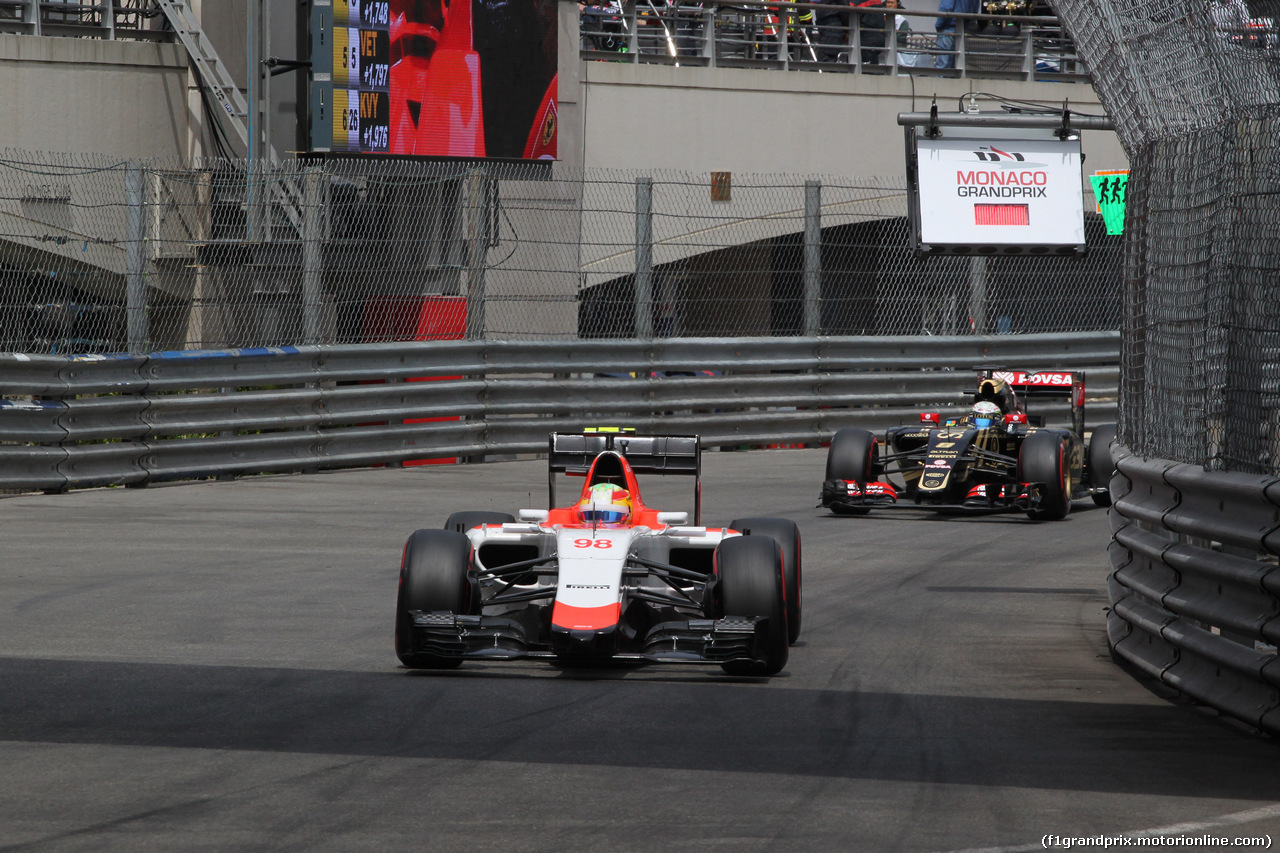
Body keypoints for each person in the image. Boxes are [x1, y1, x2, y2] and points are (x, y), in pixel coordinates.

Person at [935, 0, 979, 69]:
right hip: (962, 29)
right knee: (956, 64)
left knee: (943, 64)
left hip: (948, 28)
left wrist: (938, 25)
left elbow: (946, 7)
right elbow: (975, 10)